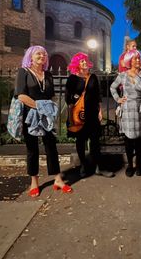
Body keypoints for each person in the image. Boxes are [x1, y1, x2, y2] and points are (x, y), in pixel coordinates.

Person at [15, 45, 72, 197]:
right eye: (38, 54)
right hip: (30, 115)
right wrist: (40, 107)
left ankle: (58, 179)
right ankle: (34, 181)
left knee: (51, 146)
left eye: (44, 54)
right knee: (32, 149)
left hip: (46, 117)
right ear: (30, 57)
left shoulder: (48, 74)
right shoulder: (23, 72)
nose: (42, 56)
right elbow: (21, 95)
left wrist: (51, 110)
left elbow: (51, 95)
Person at [65, 52, 114, 178]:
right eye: (81, 61)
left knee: (95, 141)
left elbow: (98, 95)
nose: (84, 63)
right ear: (77, 64)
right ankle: (83, 165)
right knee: (80, 140)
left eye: (85, 60)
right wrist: (71, 115)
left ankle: (98, 167)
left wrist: (99, 111)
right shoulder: (72, 78)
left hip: (92, 113)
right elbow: (68, 98)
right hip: (79, 114)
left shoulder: (93, 77)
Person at [110, 49, 141, 177]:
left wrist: (134, 76)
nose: (138, 60)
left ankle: (139, 164)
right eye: (135, 58)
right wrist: (118, 99)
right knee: (128, 140)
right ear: (129, 61)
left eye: (138, 58)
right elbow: (112, 87)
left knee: (139, 140)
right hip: (126, 108)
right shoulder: (122, 75)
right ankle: (130, 166)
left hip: (139, 108)